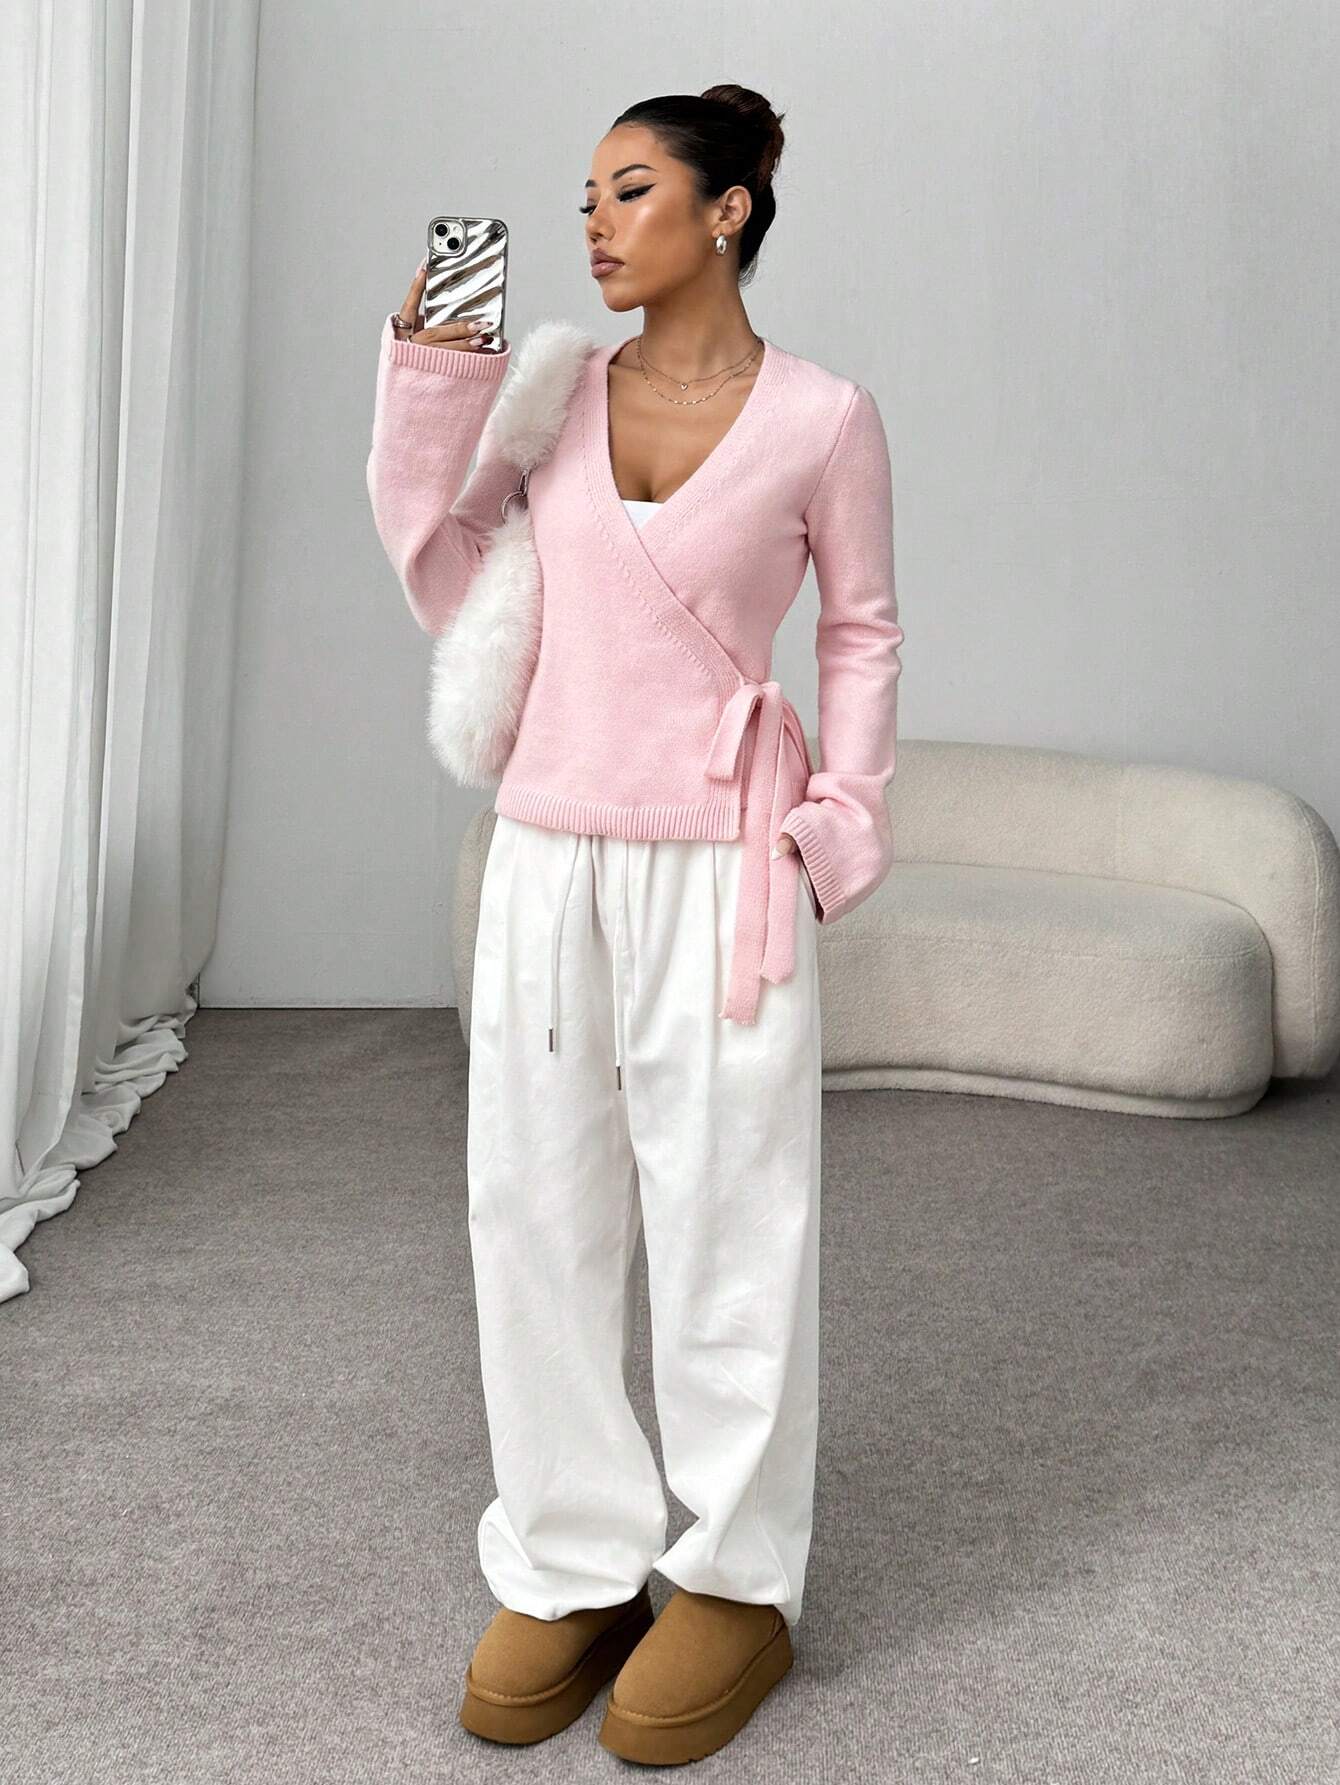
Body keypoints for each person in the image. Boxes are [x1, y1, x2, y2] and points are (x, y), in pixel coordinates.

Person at [367, 83, 903, 1767]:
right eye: (585, 197)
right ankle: (575, 1552)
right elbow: (447, 569)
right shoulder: (550, 390)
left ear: (727, 211)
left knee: (733, 1216)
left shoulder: (823, 418)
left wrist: (838, 824)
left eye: (632, 190)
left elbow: (864, 631)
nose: (594, 223)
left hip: (725, 862)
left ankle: (734, 1575)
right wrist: (434, 371)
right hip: (548, 854)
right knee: (532, 1207)